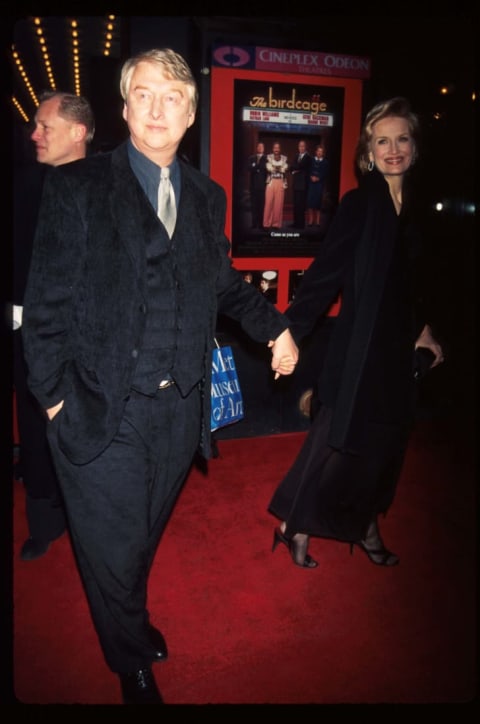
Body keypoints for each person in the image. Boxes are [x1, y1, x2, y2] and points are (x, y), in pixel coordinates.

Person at [22, 48, 299, 705]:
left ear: (191, 115)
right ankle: (130, 663)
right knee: (114, 549)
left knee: (139, 535)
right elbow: (46, 308)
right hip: (100, 406)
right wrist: (55, 401)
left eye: (171, 97)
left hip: (179, 412)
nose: (155, 108)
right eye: (142, 95)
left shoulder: (207, 197)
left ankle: (126, 614)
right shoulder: (79, 186)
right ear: (123, 108)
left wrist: (276, 326)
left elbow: (224, 284)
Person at [268, 97, 444, 569]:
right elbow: (325, 274)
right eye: (382, 141)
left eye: (401, 139)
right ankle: (295, 526)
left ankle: (364, 525)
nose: (393, 149)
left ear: (414, 146)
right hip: (360, 349)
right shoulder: (361, 202)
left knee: (383, 450)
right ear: (368, 151)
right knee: (332, 445)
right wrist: (288, 332)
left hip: (399, 351)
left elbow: (418, 282)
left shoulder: (419, 207)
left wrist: (425, 329)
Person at [13, 90, 95, 561]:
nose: (34, 134)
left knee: (84, 428)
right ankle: (44, 521)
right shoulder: (26, 185)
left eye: (45, 126)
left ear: (78, 133)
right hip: (31, 334)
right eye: (35, 126)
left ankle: (84, 515)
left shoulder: (107, 184)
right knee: (35, 423)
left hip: (88, 336)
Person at [263, 141, 288, 230]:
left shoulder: (284, 158)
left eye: (278, 148)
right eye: (275, 148)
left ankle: (276, 224)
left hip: (280, 182)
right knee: (268, 203)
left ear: (280, 149)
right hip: (271, 182)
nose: (276, 149)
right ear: (273, 149)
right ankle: (266, 224)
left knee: (278, 204)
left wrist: (276, 169)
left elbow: (284, 169)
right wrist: (278, 169)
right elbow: (269, 168)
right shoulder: (269, 157)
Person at [306, 144, 329, 227]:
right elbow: (308, 170)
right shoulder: (312, 160)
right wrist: (311, 177)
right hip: (311, 184)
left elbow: (325, 173)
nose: (319, 153)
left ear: (323, 153)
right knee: (310, 202)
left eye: (321, 152)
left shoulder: (325, 162)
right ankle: (311, 221)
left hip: (319, 184)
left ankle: (317, 221)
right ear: (316, 152)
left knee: (318, 202)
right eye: (318, 151)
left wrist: (318, 178)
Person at [289, 139, 311, 228]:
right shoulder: (296, 156)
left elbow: (300, 166)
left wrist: (296, 168)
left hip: (303, 185)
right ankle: (295, 223)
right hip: (296, 184)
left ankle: (301, 224)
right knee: (296, 205)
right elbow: (291, 167)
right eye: (300, 146)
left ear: (305, 147)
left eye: (303, 146)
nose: (301, 148)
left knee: (301, 205)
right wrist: (296, 169)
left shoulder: (308, 157)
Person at [247, 141, 267, 229]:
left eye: (261, 147)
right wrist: (257, 168)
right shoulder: (251, 158)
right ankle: (254, 224)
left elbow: (264, 169)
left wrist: (255, 167)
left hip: (263, 186)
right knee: (254, 206)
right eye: (258, 147)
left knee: (261, 206)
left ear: (263, 149)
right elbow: (249, 168)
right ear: (256, 148)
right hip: (253, 186)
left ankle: (261, 224)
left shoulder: (267, 158)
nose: (260, 148)